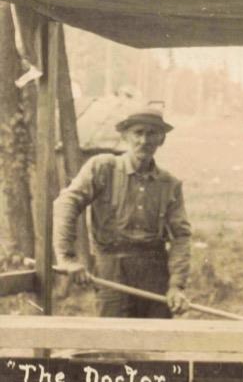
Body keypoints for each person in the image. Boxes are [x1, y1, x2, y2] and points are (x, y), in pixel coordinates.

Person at [53, 102, 191, 317]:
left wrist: (177, 285)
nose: (144, 140)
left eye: (152, 133)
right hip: (111, 269)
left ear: (161, 139)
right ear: (125, 135)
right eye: (138, 133)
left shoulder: (169, 184)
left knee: (155, 341)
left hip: (155, 272)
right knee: (113, 339)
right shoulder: (103, 168)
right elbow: (67, 203)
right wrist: (67, 258)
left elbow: (181, 236)